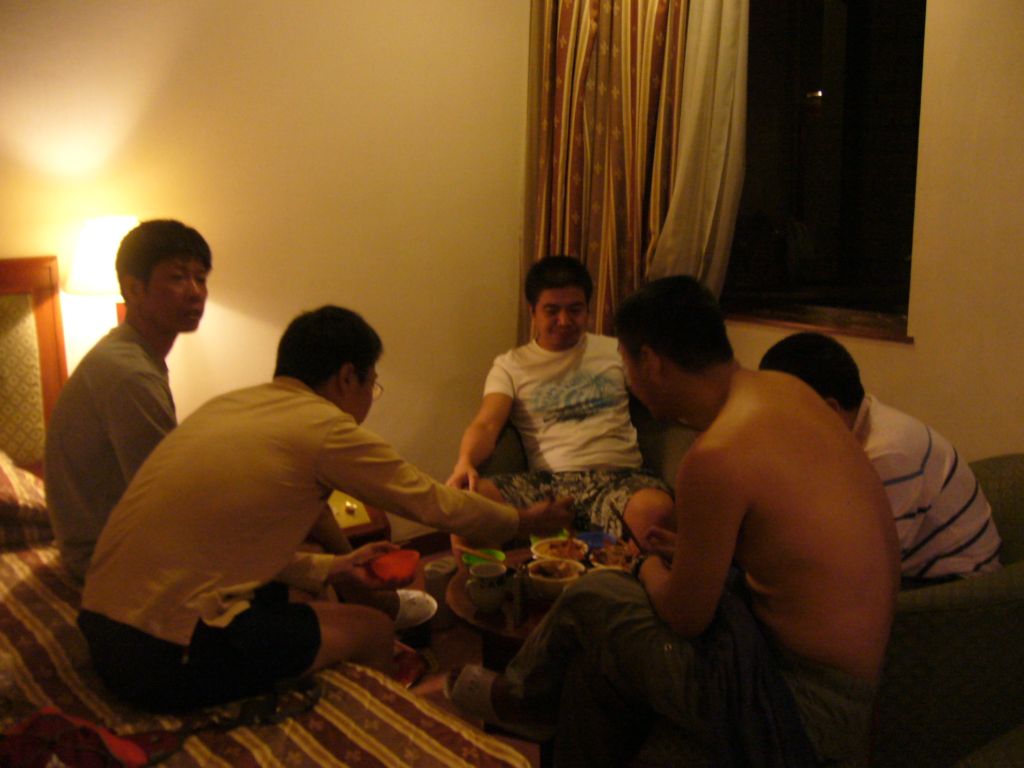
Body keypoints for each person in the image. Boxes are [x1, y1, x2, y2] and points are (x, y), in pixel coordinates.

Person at [447, 276, 900, 767]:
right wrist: (683, 556)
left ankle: (524, 699)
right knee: (593, 665)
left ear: (652, 363)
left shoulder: (717, 455)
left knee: (597, 592)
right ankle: (535, 704)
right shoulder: (787, 391)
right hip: (852, 682)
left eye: (627, 364)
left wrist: (641, 566)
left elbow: (685, 615)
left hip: (795, 704)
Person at [78, 305, 572, 712]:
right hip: (165, 653)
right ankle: (389, 725)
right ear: (347, 377)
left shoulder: (229, 407)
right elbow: (430, 501)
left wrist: (333, 566)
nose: (370, 398)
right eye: (371, 384)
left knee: (307, 592)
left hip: (105, 627)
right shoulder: (325, 427)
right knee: (373, 631)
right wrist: (523, 520)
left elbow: (227, 547)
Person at [446, 255, 673, 544]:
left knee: (655, 510)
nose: (564, 321)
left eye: (575, 310)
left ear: (587, 309)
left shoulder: (616, 351)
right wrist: (465, 461)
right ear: (533, 312)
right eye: (552, 311)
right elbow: (486, 424)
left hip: (620, 477)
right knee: (467, 503)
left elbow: (659, 397)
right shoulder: (511, 365)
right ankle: (480, 578)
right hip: (549, 483)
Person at [759, 331, 1002, 583]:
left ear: (830, 409)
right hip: (906, 561)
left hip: (955, 578)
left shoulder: (887, 454)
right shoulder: (853, 425)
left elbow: (870, 564)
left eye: (782, 412)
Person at [45, 219, 212, 580]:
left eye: (201, 278)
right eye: (178, 278)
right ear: (134, 289)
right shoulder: (128, 374)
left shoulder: (130, 356)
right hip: (108, 558)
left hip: (121, 543)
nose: (195, 292)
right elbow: (166, 496)